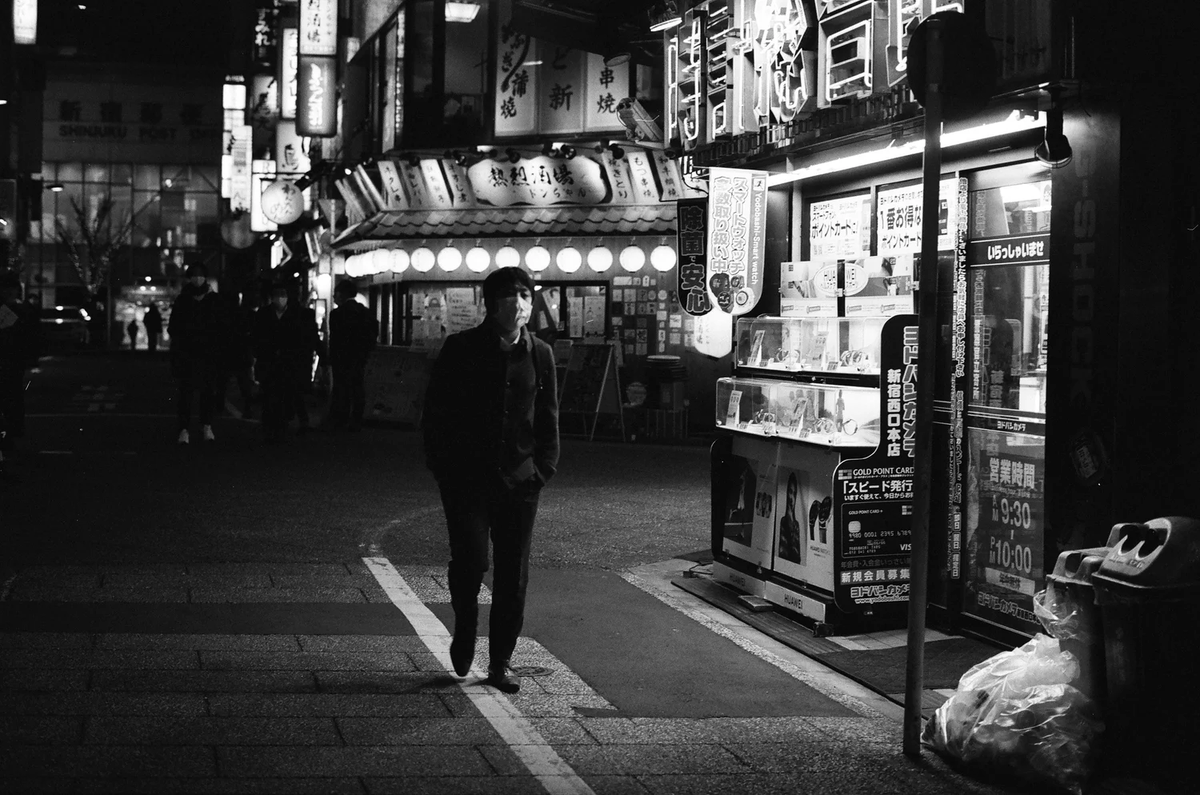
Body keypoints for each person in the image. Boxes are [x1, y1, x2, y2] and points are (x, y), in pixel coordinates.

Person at [423, 267, 559, 694]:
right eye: (507, 295)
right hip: (466, 480)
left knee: (513, 574)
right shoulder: (460, 348)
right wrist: (445, 470)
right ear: (489, 302)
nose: (517, 302)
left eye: (524, 294)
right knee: (471, 561)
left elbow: (549, 419)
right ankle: (465, 629)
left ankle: (501, 661)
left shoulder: (540, 354)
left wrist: (541, 471)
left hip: (520, 482)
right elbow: (435, 416)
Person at [254, 281, 319, 443]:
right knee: (270, 395)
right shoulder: (263, 314)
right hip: (270, 362)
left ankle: (284, 424)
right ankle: (272, 426)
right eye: (277, 295)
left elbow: (307, 338)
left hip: (290, 363)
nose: (280, 298)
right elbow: (257, 338)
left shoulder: (298, 314)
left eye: (282, 295)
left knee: (289, 394)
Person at [168, 262, 226, 445]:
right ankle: (184, 429)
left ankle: (206, 425)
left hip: (208, 354)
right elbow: (173, 328)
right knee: (186, 393)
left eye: (200, 275)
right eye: (194, 275)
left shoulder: (214, 300)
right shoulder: (182, 300)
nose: (197, 278)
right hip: (188, 354)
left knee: (207, 392)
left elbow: (222, 327)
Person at [0, 272, 39, 480]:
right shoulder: (16, 311)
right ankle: (9, 439)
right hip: (11, 363)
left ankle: (8, 439)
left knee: (10, 399)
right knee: (11, 399)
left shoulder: (15, 311)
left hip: (10, 363)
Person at [324, 280, 376, 431]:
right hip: (359, 357)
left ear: (340, 294)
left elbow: (334, 339)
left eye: (335, 294)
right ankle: (356, 420)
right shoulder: (365, 312)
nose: (334, 297)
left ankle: (340, 419)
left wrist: (330, 357)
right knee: (357, 387)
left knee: (341, 388)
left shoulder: (337, 314)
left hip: (341, 358)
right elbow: (373, 333)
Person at [777, 472, 804, 565]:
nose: (791, 498)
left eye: (794, 493)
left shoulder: (796, 524)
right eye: (790, 492)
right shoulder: (783, 521)